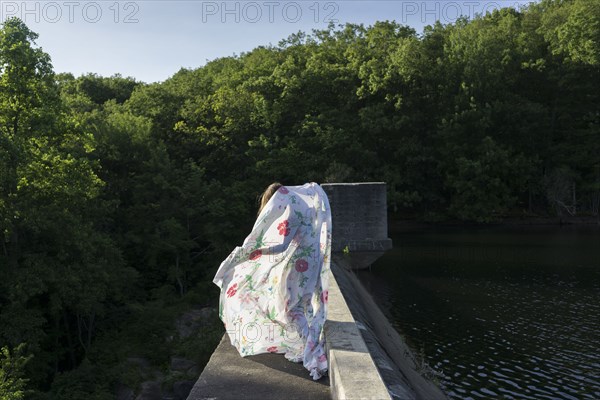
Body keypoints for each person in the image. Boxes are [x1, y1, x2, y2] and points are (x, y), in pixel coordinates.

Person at [212, 182, 332, 380]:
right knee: (299, 304)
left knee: (289, 308)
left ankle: (308, 347)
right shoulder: (305, 207)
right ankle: (307, 343)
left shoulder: (291, 210)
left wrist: (248, 253)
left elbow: (280, 244)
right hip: (310, 260)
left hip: (299, 263)